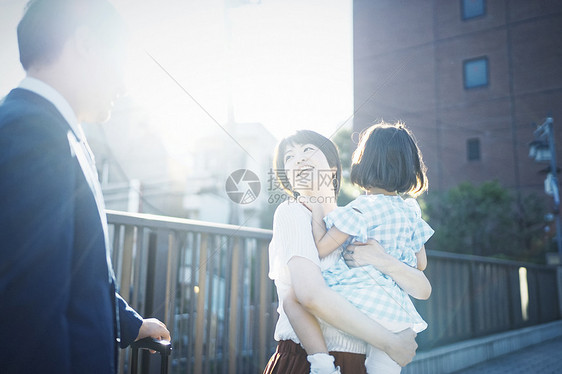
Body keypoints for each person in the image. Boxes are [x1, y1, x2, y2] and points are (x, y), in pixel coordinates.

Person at [0, 1, 170, 373]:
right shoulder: (32, 136)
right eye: (120, 61)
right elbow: (28, 309)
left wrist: (131, 324)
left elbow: (71, 270)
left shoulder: (47, 130)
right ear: (86, 44)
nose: (124, 85)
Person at [264, 130, 432, 374]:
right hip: (308, 360)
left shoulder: (354, 220)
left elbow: (422, 286)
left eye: (307, 150)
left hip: (359, 361)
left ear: (333, 167)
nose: (298, 159)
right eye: (288, 157)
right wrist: (391, 341)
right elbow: (308, 295)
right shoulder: (293, 211)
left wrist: (380, 259)